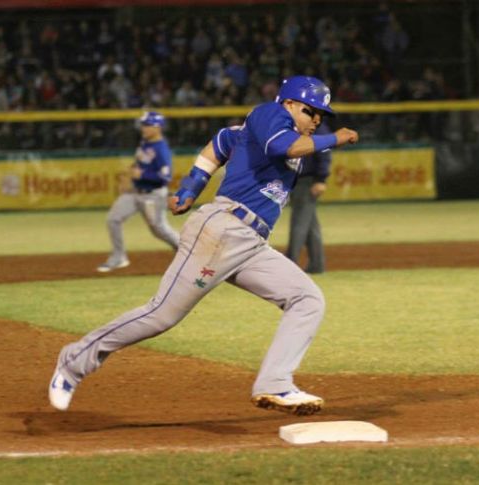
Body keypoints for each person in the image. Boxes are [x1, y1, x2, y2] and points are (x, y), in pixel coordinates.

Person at [50, 76, 358, 416]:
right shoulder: (270, 114)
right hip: (223, 229)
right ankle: (73, 361)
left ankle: (275, 383)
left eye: (321, 115)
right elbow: (281, 147)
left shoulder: (268, 131)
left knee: (307, 298)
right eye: (311, 111)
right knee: (160, 315)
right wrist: (336, 138)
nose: (317, 120)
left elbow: (221, 143)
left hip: (251, 243)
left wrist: (191, 185)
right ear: (287, 104)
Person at [96, 111, 180, 272]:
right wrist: (129, 178)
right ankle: (118, 257)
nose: (143, 128)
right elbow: (138, 164)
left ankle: (188, 251)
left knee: (159, 229)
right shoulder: (144, 143)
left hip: (153, 196)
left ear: (157, 127)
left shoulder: (161, 149)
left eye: (147, 125)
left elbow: (165, 177)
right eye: (143, 125)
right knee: (113, 219)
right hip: (135, 192)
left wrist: (143, 175)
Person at [285, 121, 332, 274]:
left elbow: (324, 151)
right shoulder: (295, 123)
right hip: (298, 179)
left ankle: (289, 265)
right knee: (310, 225)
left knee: (298, 224)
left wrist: (321, 179)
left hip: (307, 180)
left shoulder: (316, 125)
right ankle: (317, 265)